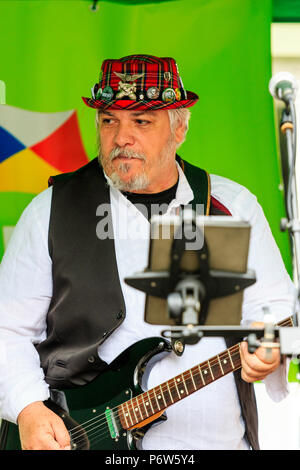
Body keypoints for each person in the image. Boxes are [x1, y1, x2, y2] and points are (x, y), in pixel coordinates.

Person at [0, 54, 296, 451]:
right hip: (86, 440)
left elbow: (275, 315)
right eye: (109, 121)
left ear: (180, 128)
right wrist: (28, 408)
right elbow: (7, 330)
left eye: (141, 121)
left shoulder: (228, 205)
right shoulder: (52, 210)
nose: (121, 137)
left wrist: (269, 350)